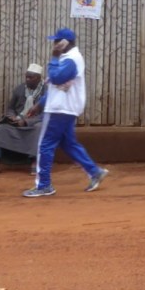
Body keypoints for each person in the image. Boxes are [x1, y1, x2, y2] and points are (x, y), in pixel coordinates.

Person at [23, 28, 109, 197]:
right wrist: (40, 104)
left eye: (57, 41)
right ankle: (94, 171)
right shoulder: (69, 59)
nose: (54, 44)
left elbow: (56, 78)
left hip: (60, 109)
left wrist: (54, 56)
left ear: (65, 43)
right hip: (64, 107)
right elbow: (57, 87)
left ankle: (44, 185)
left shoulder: (70, 59)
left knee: (45, 145)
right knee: (69, 143)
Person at [0, 63, 46, 177]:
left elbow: (46, 114)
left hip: (35, 122)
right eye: (26, 77)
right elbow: (11, 108)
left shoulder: (46, 91)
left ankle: (34, 162)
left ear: (38, 78)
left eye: (30, 77)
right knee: (2, 128)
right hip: (18, 120)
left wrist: (26, 121)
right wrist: (12, 117)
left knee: (38, 129)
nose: (27, 79)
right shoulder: (19, 89)